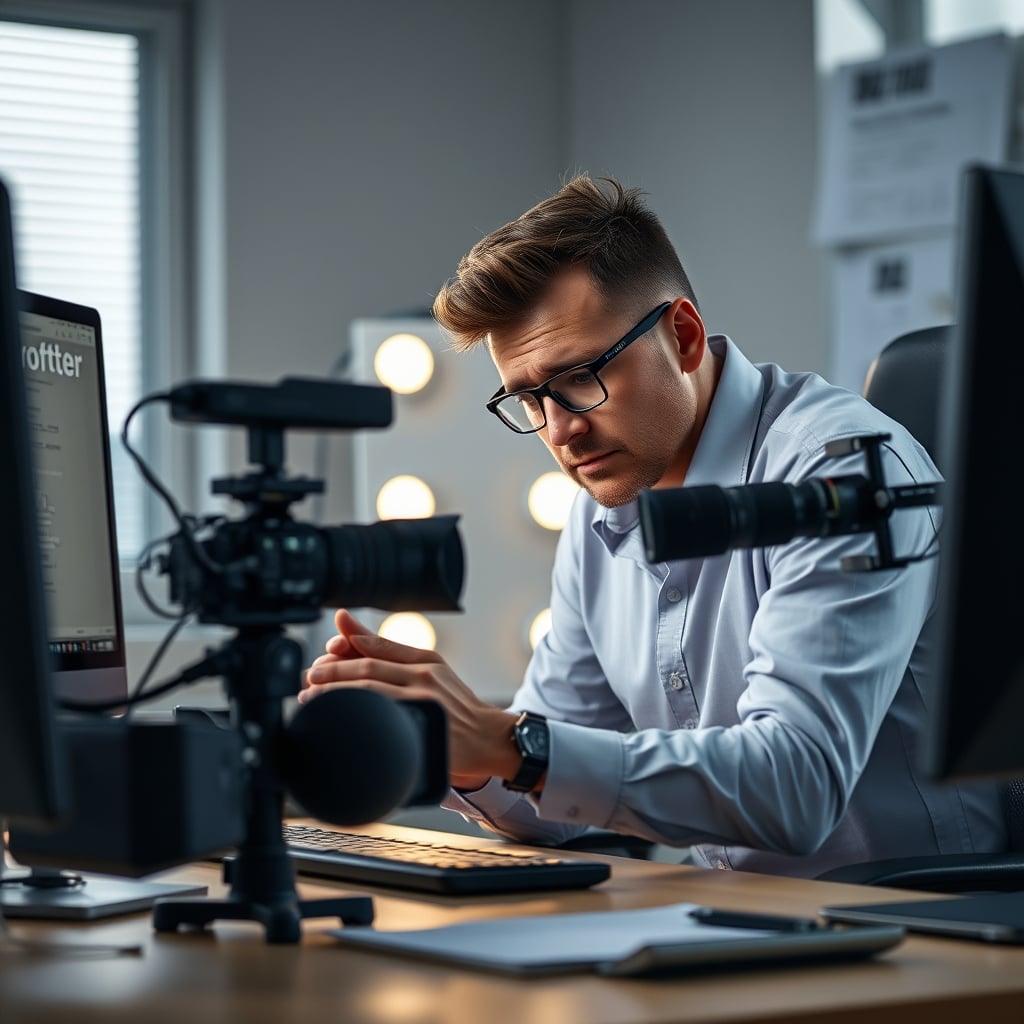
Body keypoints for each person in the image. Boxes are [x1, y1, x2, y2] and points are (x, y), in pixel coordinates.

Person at [300, 175, 1006, 878]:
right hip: (734, 923)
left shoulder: (842, 475)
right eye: (529, 400)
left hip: (914, 927)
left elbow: (796, 785)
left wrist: (517, 744)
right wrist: (449, 741)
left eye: (580, 377)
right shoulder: (601, 503)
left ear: (685, 336)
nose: (562, 432)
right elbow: (555, 795)